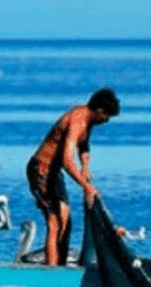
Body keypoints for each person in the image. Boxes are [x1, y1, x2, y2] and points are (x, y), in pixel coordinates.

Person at [26, 88, 118, 267]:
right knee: (54, 222)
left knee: (66, 221)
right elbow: (67, 161)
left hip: (54, 172)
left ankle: (60, 268)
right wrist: (86, 186)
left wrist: (85, 167)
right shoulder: (77, 120)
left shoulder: (88, 118)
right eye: (106, 117)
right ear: (99, 111)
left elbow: (83, 145)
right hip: (41, 170)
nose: (106, 121)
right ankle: (51, 272)